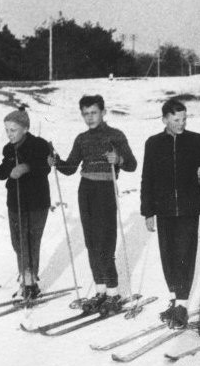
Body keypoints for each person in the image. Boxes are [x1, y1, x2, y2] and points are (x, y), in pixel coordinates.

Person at [49, 95, 137, 315]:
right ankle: (100, 291)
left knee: (105, 243)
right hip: (85, 189)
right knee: (91, 242)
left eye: (94, 113)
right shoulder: (82, 139)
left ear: (103, 112)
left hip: (105, 190)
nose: (90, 117)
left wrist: (118, 160)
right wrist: (55, 161)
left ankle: (113, 293)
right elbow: (70, 168)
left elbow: (132, 165)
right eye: (86, 113)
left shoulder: (115, 136)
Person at [140, 99, 200, 328]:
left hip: (188, 208)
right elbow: (147, 178)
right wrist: (148, 211)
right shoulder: (153, 143)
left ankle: (182, 305)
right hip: (163, 209)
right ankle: (174, 299)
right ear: (164, 120)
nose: (181, 124)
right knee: (168, 256)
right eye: (176, 120)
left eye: (184, 119)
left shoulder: (197, 140)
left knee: (184, 254)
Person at [0, 106, 51, 300]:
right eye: (7, 130)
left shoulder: (39, 145)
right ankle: (27, 279)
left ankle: (29, 282)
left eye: (13, 130)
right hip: (15, 201)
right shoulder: (9, 149)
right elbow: (3, 173)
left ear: (25, 128)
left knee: (30, 241)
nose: (9, 134)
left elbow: (45, 167)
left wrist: (26, 167)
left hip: (36, 202)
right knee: (18, 242)